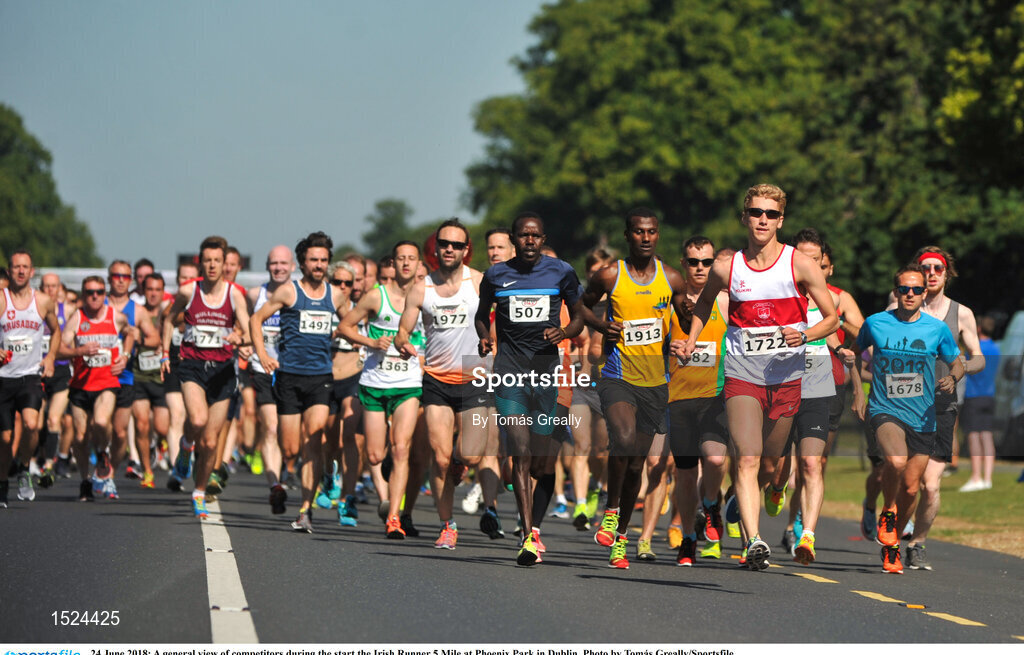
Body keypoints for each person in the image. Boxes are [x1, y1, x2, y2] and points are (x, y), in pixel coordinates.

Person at [672, 184, 838, 571]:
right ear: (744, 216)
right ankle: (755, 540)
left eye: (771, 214)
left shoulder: (800, 264)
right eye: (756, 212)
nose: (763, 220)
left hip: (786, 376)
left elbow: (832, 319)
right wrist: (690, 339)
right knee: (746, 457)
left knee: (768, 464)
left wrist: (806, 334)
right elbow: (706, 302)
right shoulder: (727, 267)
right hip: (743, 373)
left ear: (781, 220)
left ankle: (735, 505)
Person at [474, 213, 585, 565]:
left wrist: (565, 333)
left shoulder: (561, 271)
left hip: (548, 374)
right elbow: (481, 313)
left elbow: (580, 315)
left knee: (542, 464)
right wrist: (483, 335)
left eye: (535, 236)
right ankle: (527, 537)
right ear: (513, 239)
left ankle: (531, 522)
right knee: (519, 453)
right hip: (510, 373)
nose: (530, 241)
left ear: (543, 238)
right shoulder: (496, 275)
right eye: (523, 236)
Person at [580, 208, 688, 570]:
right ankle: (611, 512)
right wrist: (600, 325)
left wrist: (686, 326)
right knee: (623, 442)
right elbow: (581, 306)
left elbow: (688, 320)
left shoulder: (671, 278)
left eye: (652, 232)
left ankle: (621, 537)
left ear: (658, 235)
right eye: (639, 232)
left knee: (635, 466)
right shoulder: (610, 274)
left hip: (656, 381)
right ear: (628, 236)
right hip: (617, 375)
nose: (646, 237)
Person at [852, 263, 963, 574]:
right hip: (885, 409)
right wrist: (859, 394)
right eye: (904, 289)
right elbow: (852, 354)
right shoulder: (875, 323)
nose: (910, 294)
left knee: (912, 488)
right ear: (895, 291)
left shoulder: (936, 329)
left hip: (924, 414)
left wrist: (952, 378)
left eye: (916, 289)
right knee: (896, 462)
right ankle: (887, 511)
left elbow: (958, 363)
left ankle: (893, 547)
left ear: (925, 292)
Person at [395, 218, 489, 549]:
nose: (449, 249)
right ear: (436, 248)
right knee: (440, 457)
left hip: (475, 378)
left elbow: (501, 322)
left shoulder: (478, 282)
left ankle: (463, 465)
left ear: (466, 250)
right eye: (444, 243)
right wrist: (403, 342)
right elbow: (402, 330)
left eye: (456, 245)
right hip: (436, 379)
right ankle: (447, 525)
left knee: (472, 456)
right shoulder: (422, 288)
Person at [895, 246, 985, 570]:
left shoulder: (961, 313)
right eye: (926, 267)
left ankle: (917, 543)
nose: (932, 273)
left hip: (941, 403)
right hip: (901, 400)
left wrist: (958, 368)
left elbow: (977, 356)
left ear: (947, 274)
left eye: (938, 268)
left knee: (930, 484)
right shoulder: (898, 305)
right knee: (902, 475)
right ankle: (892, 526)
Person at [251, 232, 347, 533]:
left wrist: (361, 341)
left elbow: (352, 321)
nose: (319, 265)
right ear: (302, 263)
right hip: (290, 377)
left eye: (323, 261)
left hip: (321, 378)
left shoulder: (336, 295)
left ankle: (305, 509)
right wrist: (263, 354)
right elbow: (256, 320)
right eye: (313, 260)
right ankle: (287, 476)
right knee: (290, 448)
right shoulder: (288, 293)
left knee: (314, 440)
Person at [337, 241, 425, 538]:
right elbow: (346, 328)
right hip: (375, 382)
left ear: (418, 264)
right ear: (393, 264)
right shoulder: (377, 297)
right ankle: (385, 470)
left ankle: (394, 517)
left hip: (408, 384)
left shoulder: (427, 297)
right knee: (375, 456)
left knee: (402, 449)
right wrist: (372, 343)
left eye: (411, 258)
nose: (405, 263)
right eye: (401, 258)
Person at [161, 236, 250, 519]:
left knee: (211, 442)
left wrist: (239, 336)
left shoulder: (234, 295)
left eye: (217, 261)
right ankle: (186, 446)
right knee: (197, 420)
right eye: (208, 260)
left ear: (226, 264)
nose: (212, 266)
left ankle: (198, 492)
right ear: (201, 262)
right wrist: (165, 354)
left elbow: (247, 330)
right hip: (193, 367)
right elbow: (167, 318)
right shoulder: (189, 291)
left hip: (223, 371)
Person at [662, 239, 730, 566]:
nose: (700, 268)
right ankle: (688, 537)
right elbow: (652, 344)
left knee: (716, 461)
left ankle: (712, 502)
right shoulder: (670, 303)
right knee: (686, 474)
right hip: (679, 399)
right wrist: (669, 347)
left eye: (706, 262)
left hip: (716, 396)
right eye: (693, 262)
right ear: (684, 264)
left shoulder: (725, 300)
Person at [58, 276, 134, 502]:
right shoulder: (77, 318)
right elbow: (60, 348)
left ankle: (102, 453)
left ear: (105, 294)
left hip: (107, 381)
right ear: (83, 294)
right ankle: (85, 480)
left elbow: (131, 333)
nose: (94, 296)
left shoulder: (115, 317)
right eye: (90, 292)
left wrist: (125, 355)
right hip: (81, 384)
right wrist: (78, 352)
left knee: (101, 422)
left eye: (99, 292)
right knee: (80, 437)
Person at [0, 250, 61, 506]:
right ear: (10, 271)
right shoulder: (2, 300)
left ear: (32, 271)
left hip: (31, 376)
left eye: (25, 267)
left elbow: (56, 331)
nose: (21, 271)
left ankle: (24, 467)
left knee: (31, 424)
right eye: (16, 267)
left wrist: (49, 358)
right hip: (4, 378)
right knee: (4, 439)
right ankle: (3, 482)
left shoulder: (43, 301)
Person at [246, 245, 293, 513]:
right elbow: (245, 322)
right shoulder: (256, 294)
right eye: (274, 263)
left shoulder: (298, 294)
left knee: (289, 434)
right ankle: (275, 484)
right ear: (267, 266)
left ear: (292, 267)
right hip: (263, 368)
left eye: (283, 263)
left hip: (292, 371)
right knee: (270, 427)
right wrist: (247, 344)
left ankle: (285, 473)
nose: (278, 267)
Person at [960, 315, 999, 491]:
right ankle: (988, 478)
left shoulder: (975, 350)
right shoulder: (996, 348)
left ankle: (976, 477)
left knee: (974, 436)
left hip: (973, 396)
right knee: (987, 436)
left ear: (979, 329)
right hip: (990, 396)